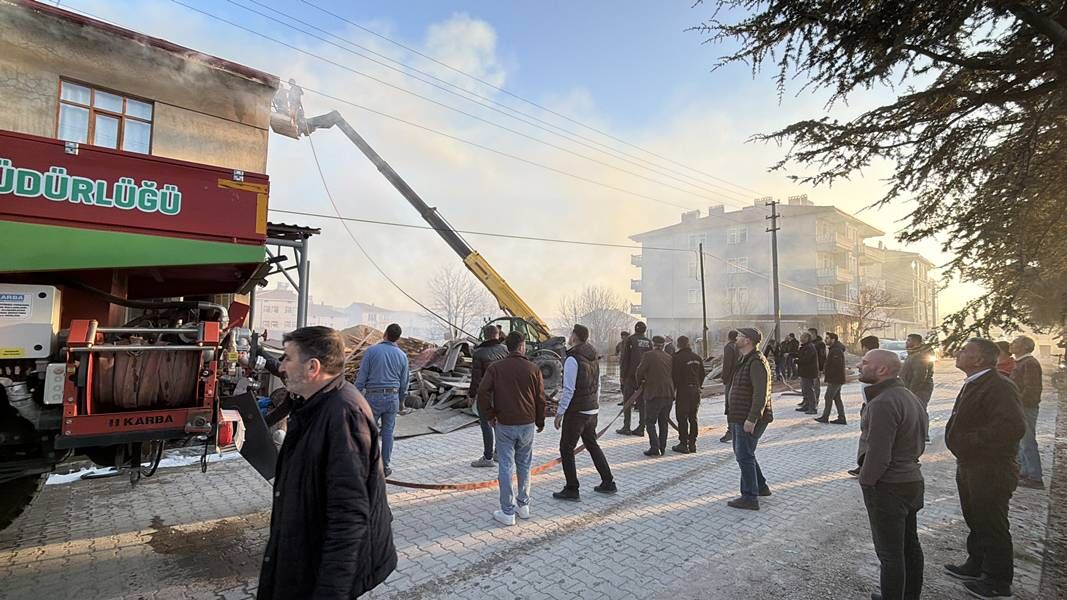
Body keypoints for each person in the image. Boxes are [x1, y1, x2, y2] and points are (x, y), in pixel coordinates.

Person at [257, 326, 397, 600]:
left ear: (312, 367)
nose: (282, 367)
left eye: (287, 358)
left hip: (322, 569)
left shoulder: (344, 416)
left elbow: (348, 517)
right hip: (307, 550)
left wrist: (331, 593)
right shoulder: (315, 402)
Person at [944, 338, 1025, 599]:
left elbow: (1011, 427)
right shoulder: (976, 382)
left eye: (965, 350)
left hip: (990, 468)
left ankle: (997, 581)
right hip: (971, 464)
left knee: (992, 522)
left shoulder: (999, 385)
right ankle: (976, 564)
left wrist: (970, 442)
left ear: (979, 359)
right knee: (976, 518)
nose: (958, 352)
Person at [856, 349, 928, 600]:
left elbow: (878, 453)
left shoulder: (884, 402)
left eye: (865, 363)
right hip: (911, 480)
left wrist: (866, 482)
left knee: (890, 553)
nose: (859, 366)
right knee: (909, 545)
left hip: (889, 486)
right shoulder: (908, 395)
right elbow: (920, 442)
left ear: (882, 369)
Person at [477, 332, 547, 526]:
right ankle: (523, 506)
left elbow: (482, 393)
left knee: (506, 467)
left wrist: (490, 415)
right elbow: (541, 398)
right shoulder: (533, 369)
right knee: (524, 465)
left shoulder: (495, 368)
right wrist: (540, 421)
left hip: (504, 424)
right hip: (527, 424)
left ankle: (507, 512)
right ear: (522, 346)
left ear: (507, 347)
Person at [553, 324, 617, 501]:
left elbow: (569, 389)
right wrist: (595, 405)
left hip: (577, 411)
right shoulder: (592, 355)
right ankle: (608, 481)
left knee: (566, 448)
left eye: (571, 334)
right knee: (592, 444)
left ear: (575, 336)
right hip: (591, 409)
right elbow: (598, 384)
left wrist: (560, 413)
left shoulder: (573, 358)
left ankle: (572, 488)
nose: (570, 336)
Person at [725, 327, 773, 510]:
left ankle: (750, 497)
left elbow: (760, 394)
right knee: (745, 454)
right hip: (739, 415)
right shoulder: (745, 359)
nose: (736, 338)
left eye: (739, 336)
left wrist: (752, 418)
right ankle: (761, 487)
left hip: (748, 417)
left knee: (744, 456)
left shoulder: (756, 362)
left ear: (748, 340)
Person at [355, 323, 409, 477]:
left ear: (385, 333)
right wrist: (401, 400)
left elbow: (361, 378)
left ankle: (368, 466)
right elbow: (404, 383)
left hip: (373, 397)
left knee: (368, 433)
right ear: (398, 338)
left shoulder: (371, 351)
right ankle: (385, 467)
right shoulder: (402, 356)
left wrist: (353, 395)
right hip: (392, 397)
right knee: (388, 433)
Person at [469, 324, 510, 468]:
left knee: (486, 425)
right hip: (502, 394)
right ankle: (498, 453)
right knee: (499, 424)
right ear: (497, 335)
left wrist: (472, 395)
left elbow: (476, 378)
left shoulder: (478, 353)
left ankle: (487, 457)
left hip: (485, 395)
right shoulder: (505, 350)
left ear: (485, 336)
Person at [1010, 335, 1044, 490]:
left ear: (1024, 347)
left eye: (1016, 342)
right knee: (1022, 441)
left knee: (1028, 441)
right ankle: (1024, 471)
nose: (1012, 344)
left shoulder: (1029, 363)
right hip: (1020, 406)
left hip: (1026, 407)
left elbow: (1031, 389)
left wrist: (1018, 403)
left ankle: (1035, 476)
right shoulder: (1021, 362)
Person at [637, 336, 675, 456]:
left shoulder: (648, 355)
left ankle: (655, 447)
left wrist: (640, 384)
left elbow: (639, 371)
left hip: (654, 393)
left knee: (650, 421)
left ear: (653, 344)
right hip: (668, 394)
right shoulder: (669, 357)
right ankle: (662, 447)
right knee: (663, 422)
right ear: (663, 345)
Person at [849, 336, 882, 477]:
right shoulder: (875, 359)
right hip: (868, 405)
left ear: (865, 347)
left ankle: (867, 469)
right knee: (866, 439)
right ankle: (864, 466)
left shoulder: (876, 361)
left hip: (874, 406)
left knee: (870, 440)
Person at [671, 336, 706, 453]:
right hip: (695, 391)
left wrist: (674, 390)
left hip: (683, 391)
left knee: (682, 417)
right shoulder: (697, 358)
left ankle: (683, 443)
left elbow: (674, 376)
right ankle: (692, 444)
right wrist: (698, 385)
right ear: (689, 344)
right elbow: (703, 374)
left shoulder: (677, 358)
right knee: (693, 417)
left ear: (678, 345)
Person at [618, 321, 653, 436]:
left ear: (635, 329)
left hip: (630, 376)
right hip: (644, 378)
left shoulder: (630, 340)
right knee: (642, 403)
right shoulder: (648, 342)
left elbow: (624, 359)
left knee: (627, 401)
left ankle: (626, 427)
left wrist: (622, 376)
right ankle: (642, 427)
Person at [900, 333, 935, 440]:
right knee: (914, 410)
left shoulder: (920, 355)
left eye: (909, 340)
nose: (907, 342)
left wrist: (910, 391)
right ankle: (915, 433)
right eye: (907, 340)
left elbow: (919, 376)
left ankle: (924, 435)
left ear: (916, 342)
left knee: (919, 409)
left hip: (920, 388)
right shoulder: (913, 354)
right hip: (912, 387)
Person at [815, 332, 847, 424]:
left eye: (827, 338)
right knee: (837, 398)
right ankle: (841, 418)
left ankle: (825, 417)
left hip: (835, 379)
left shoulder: (836, 350)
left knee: (828, 397)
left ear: (833, 340)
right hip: (835, 378)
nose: (825, 340)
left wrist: (827, 372)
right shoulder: (834, 349)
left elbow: (836, 366)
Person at [719, 330, 740, 443]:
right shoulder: (740, 347)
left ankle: (731, 431)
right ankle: (737, 431)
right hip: (739, 379)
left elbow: (727, 364)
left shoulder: (729, 347)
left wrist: (724, 378)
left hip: (731, 379)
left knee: (730, 405)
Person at [797, 332, 820, 415]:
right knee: (805, 390)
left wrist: (796, 360)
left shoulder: (810, 347)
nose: (801, 338)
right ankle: (807, 405)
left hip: (809, 372)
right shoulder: (805, 346)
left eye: (803, 337)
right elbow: (801, 356)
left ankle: (813, 408)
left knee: (809, 390)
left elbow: (806, 359)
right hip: (805, 371)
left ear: (807, 338)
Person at [809, 327, 827, 402]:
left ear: (814, 334)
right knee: (809, 385)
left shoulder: (820, 344)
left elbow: (822, 356)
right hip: (809, 367)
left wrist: (821, 368)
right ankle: (808, 400)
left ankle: (816, 399)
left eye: (810, 334)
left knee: (816, 385)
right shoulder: (809, 343)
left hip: (817, 367)